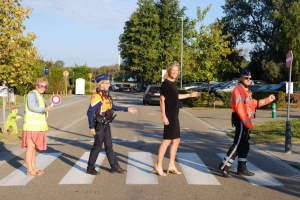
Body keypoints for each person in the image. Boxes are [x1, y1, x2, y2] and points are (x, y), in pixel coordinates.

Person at [217, 69, 276, 178]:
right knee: (238, 143)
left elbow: (253, 104)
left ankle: (242, 169)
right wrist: (248, 124)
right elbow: (241, 111)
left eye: (250, 78)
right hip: (241, 120)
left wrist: (269, 99)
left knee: (245, 145)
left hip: (244, 120)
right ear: (241, 78)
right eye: (246, 78)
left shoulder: (245, 90)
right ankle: (223, 166)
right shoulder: (239, 90)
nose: (248, 80)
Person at [153, 62, 201, 176]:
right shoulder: (166, 83)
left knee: (176, 140)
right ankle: (158, 165)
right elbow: (162, 100)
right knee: (167, 140)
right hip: (169, 115)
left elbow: (176, 97)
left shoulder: (172, 83)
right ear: (169, 71)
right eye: (173, 70)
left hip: (174, 115)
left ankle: (171, 165)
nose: (175, 72)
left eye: (176, 70)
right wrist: (163, 116)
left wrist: (190, 95)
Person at [86, 74, 138, 175]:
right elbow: (90, 112)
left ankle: (115, 167)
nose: (109, 84)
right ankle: (90, 167)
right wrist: (91, 127)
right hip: (99, 126)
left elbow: (113, 106)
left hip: (106, 125)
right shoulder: (97, 96)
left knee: (109, 146)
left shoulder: (107, 95)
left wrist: (127, 109)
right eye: (107, 83)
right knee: (97, 147)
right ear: (101, 84)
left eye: (109, 82)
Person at [21, 78, 52, 176]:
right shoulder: (32, 94)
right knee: (30, 148)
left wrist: (46, 110)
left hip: (37, 126)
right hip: (31, 126)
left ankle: (34, 167)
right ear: (36, 85)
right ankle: (30, 170)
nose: (43, 88)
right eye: (41, 86)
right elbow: (32, 107)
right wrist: (44, 109)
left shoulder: (40, 96)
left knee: (33, 148)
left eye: (45, 86)